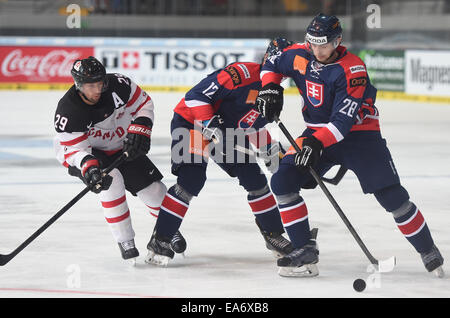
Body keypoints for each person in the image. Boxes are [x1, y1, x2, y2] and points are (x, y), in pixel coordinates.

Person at [257, 14, 444, 277]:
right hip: (316, 132)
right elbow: (274, 55)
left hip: (360, 137)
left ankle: (427, 248)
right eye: (313, 43)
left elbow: (342, 123)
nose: (317, 50)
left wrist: (315, 142)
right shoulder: (302, 54)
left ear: (338, 41)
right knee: (283, 180)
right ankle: (303, 250)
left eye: (323, 44)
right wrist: (270, 88)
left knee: (392, 197)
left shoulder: (352, 69)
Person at [145, 40, 296, 266]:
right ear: (269, 60)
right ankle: (161, 238)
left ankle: (273, 234)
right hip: (192, 123)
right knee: (191, 179)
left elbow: (252, 124)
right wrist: (210, 121)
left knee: (255, 179)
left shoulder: (273, 93)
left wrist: (271, 151)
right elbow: (194, 97)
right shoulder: (240, 73)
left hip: (225, 133)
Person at [53, 56, 185, 262]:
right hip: (87, 152)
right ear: (78, 85)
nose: (97, 89)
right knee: (111, 181)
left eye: (100, 83)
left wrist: (140, 129)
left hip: (121, 143)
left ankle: (167, 229)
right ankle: (125, 240)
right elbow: (73, 149)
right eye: (91, 85)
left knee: (153, 189)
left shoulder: (119, 85)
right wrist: (89, 167)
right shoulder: (69, 111)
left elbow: (144, 103)